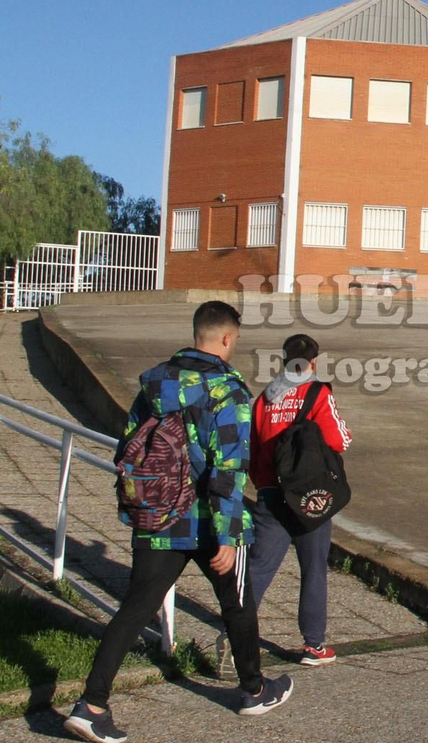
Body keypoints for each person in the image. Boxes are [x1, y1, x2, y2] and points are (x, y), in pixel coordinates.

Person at [65, 302, 292, 743]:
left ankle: (90, 706)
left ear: (196, 334)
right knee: (238, 604)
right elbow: (229, 469)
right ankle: (253, 690)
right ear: (227, 339)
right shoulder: (229, 391)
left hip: (157, 518)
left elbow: (128, 449)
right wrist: (227, 536)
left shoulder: (154, 384)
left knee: (135, 608)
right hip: (207, 523)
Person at [245, 334, 352, 667]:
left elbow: (255, 450)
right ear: (314, 362)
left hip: (271, 495)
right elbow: (339, 439)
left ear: (283, 360)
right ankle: (313, 646)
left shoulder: (265, 398)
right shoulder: (319, 393)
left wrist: (265, 486)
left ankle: (236, 636)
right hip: (309, 498)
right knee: (313, 569)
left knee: (258, 569)